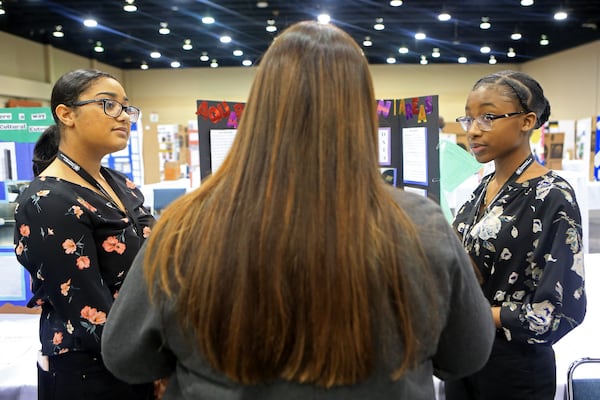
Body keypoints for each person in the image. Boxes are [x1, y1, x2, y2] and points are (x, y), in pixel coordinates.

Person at [101, 21, 495, 399]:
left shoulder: (185, 226)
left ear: (259, 106)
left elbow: (126, 358)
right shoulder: (421, 225)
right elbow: (466, 355)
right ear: (361, 111)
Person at [14, 69, 155, 400]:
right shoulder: (45, 202)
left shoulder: (121, 184)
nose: (123, 116)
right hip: (93, 374)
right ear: (66, 114)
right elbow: (90, 315)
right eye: (108, 104)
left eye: (126, 107)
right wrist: (159, 364)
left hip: (140, 354)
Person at [445, 70, 587, 400]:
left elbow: (557, 311)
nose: (473, 130)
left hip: (515, 369)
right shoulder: (482, 189)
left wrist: (477, 314)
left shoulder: (553, 196)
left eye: (488, 117)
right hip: (466, 357)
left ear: (527, 121)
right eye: (469, 119)